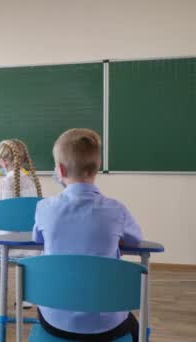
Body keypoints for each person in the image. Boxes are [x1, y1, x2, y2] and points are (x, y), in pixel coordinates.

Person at [33, 128, 143, 342]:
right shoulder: (116, 210)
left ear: (60, 170)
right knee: (134, 325)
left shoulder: (44, 207)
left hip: (56, 320)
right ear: (97, 167)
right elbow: (136, 240)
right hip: (107, 324)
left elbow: (38, 238)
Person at [0, 139, 42, 309]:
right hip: (32, 247)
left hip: (6, 247)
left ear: (3, 161)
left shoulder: (0, 183)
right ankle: (25, 296)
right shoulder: (33, 182)